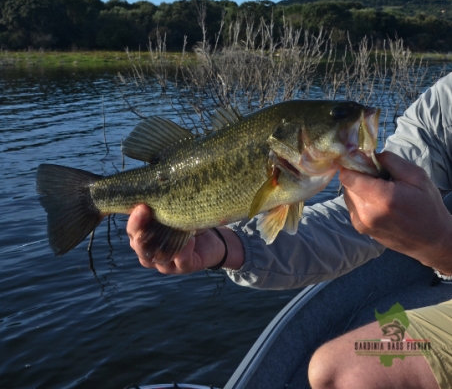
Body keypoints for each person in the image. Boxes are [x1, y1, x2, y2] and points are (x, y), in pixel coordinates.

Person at [126, 72, 452, 389]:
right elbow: (355, 225)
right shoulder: (443, 106)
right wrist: (230, 247)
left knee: (347, 371)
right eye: (337, 116)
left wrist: (441, 245)